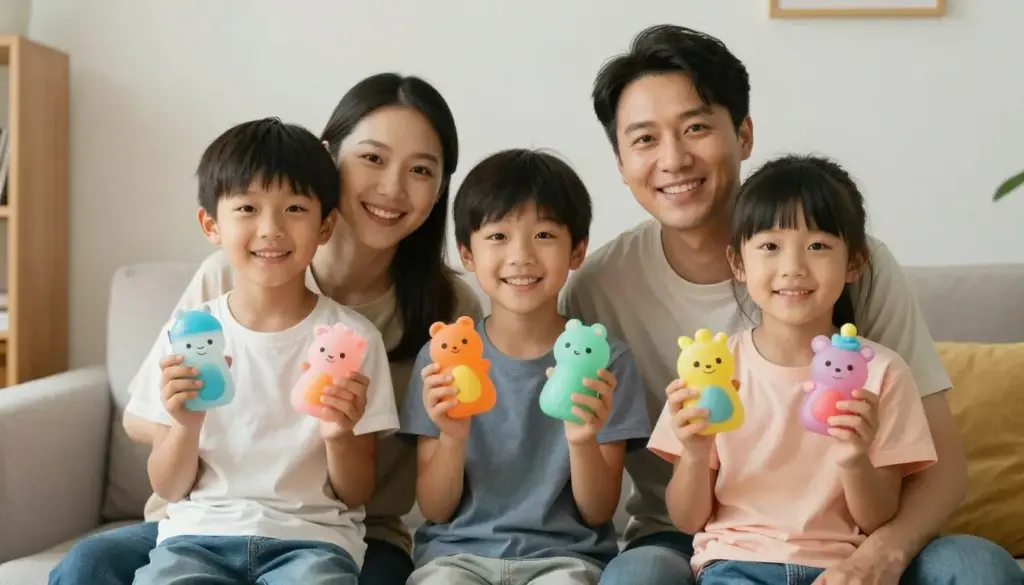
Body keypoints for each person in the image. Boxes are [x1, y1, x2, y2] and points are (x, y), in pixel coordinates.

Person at [562, 23, 1024, 585]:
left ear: (744, 135)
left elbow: (941, 468)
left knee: (977, 567)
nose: (674, 158)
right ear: (620, 161)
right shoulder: (597, 287)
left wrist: (882, 554)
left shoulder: (859, 265)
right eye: (644, 139)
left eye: (696, 127)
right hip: (691, 534)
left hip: (854, 534)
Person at [48, 73, 482, 585]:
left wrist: (340, 434)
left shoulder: (448, 310)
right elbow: (145, 419)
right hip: (200, 524)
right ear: (329, 157)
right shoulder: (227, 278)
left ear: (441, 186)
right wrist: (191, 423)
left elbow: (432, 460)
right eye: (372, 158)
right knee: (86, 566)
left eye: (421, 170)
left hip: (338, 531)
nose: (392, 186)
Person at [125, 117, 400, 583]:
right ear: (211, 224)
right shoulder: (187, 335)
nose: (271, 229)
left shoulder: (353, 339)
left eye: (294, 208)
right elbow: (168, 487)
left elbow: (355, 493)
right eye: (247, 208)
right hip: (197, 537)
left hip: (312, 542)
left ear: (325, 225)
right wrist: (185, 426)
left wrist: (339, 434)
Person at [647, 154, 940, 584]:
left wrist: (855, 459)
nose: (793, 268)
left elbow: (878, 519)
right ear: (738, 263)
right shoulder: (713, 366)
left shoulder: (880, 373)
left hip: (841, 569)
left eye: (818, 246)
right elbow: (688, 520)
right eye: (770, 246)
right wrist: (693, 452)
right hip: (735, 563)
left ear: (854, 263)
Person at [399, 148, 652, 585]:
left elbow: (598, 511)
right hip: (456, 558)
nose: (521, 256)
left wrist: (582, 439)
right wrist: (452, 436)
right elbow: (435, 509)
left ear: (577, 251)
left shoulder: (606, 361)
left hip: (566, 560)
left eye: (544, 235)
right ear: (467, 254)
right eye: (498, 236)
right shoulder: (442, 356)